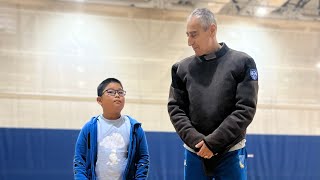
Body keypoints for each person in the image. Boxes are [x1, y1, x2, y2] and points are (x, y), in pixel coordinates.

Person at [167, 8, 259, 180]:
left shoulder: (242, 63)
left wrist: (213, 143)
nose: (189, 41)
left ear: (212, 30)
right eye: (187, 34)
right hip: (195, 153)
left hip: (230, 153)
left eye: (193, 35)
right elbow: (176, 109)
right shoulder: (180, 69)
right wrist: (198, 143)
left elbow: (245, 109)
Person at [73, 78, 150, 180]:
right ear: (99, 100)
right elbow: (79, 160)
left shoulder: (134, 128)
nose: (117, 95)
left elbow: (143, 159)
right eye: (111, 92)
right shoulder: (89, 128)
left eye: (120, 92)